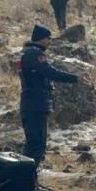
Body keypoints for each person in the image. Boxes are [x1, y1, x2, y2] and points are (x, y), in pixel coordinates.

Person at [18, 24, 79, 173]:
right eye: (48, 38)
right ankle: (25, 180)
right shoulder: (34, 54)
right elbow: (49, 72)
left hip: (32, 103)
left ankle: (30, 180)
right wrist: (75, 78)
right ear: (41, 39)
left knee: (34, 144)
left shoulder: (28, 53)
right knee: (37, 145)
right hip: (36, 104)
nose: (50, 41)